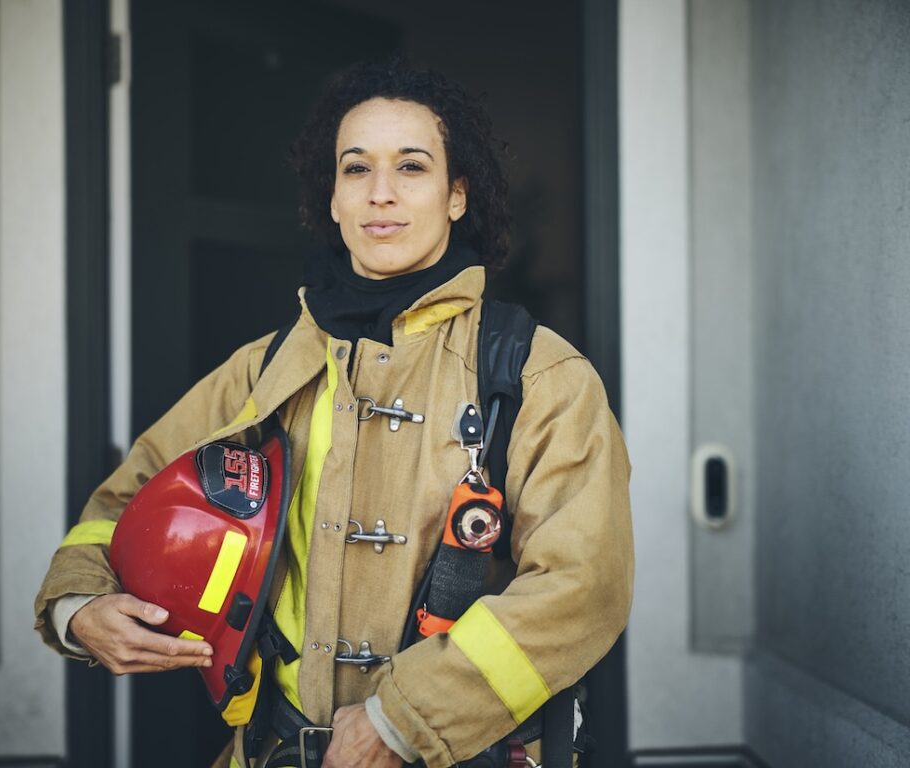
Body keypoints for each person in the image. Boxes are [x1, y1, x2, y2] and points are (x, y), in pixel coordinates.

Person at [34, 59, 634, 768]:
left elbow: (582, 588)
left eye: (412, 167)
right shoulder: (266, 367)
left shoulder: (540, 375)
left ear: (456, 196)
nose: (381, 194)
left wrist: (401, 720)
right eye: (356, 170)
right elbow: (123, 501)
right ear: (333, 199)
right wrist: (78, 611)